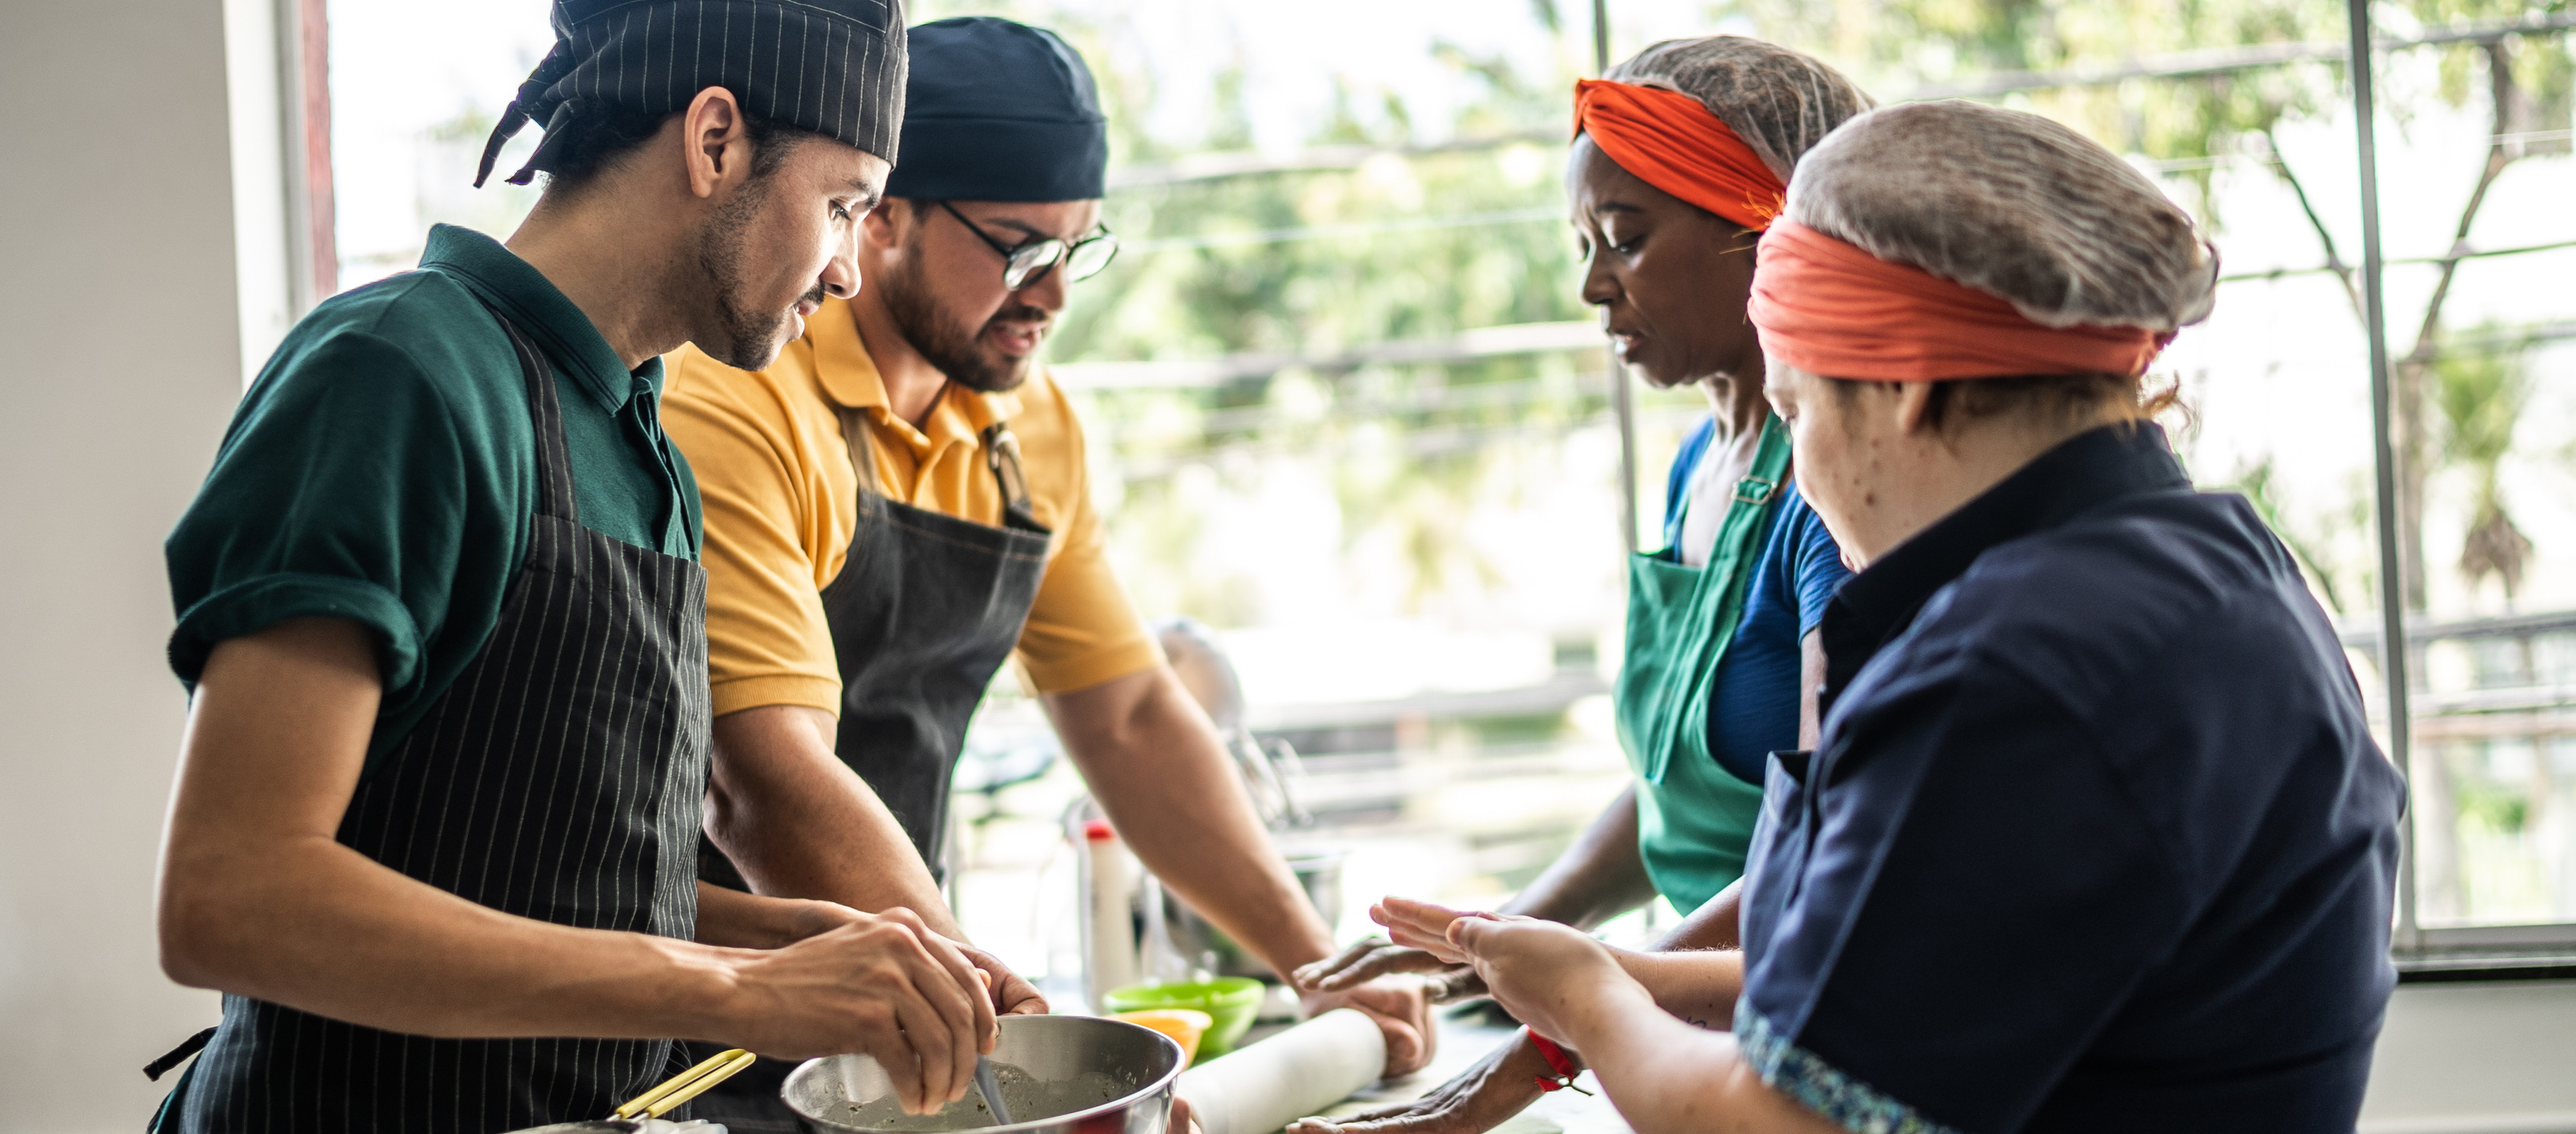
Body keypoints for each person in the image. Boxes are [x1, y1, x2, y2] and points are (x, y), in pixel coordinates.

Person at [1376, 99, 2407, 1134]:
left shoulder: (2015, 672)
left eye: (1795, 414)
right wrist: (1616, 973)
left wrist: (1585, 998)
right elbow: (1932, 982)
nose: (1804, 479)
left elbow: (1784, 1124)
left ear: (1904, 383)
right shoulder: (2224, 568)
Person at [149, 3, 1007, 1129]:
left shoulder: (643, 449)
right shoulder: (396, 375)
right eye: (843, 204)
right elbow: (232, 895)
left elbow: (549, 888)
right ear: (715, 141)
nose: (849, 269)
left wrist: (830, 945)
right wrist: (743, 989)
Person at [658, 16, 1435, 1125]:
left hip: (902, 994)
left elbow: (1124, 719)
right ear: (881, 218)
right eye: (1020, 249)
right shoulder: (734, 397)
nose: (1054, 294)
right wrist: (976, 1005)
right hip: (698, 1006)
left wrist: (1316, 965)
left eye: (1077, 249)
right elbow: (761, 783)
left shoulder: (1031, 433)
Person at [1288, 37, 1869, 1134]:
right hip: (1676, 1017)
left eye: (1626, 239)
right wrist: (1502, 935)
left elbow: (1820, 855)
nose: (1592, 282)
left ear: (1763, 232)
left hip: (1787, 1037)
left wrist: (1534, 1052)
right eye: (1584, 243)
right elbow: (1675, 783)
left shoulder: (1839, 501)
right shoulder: (1706, 462)